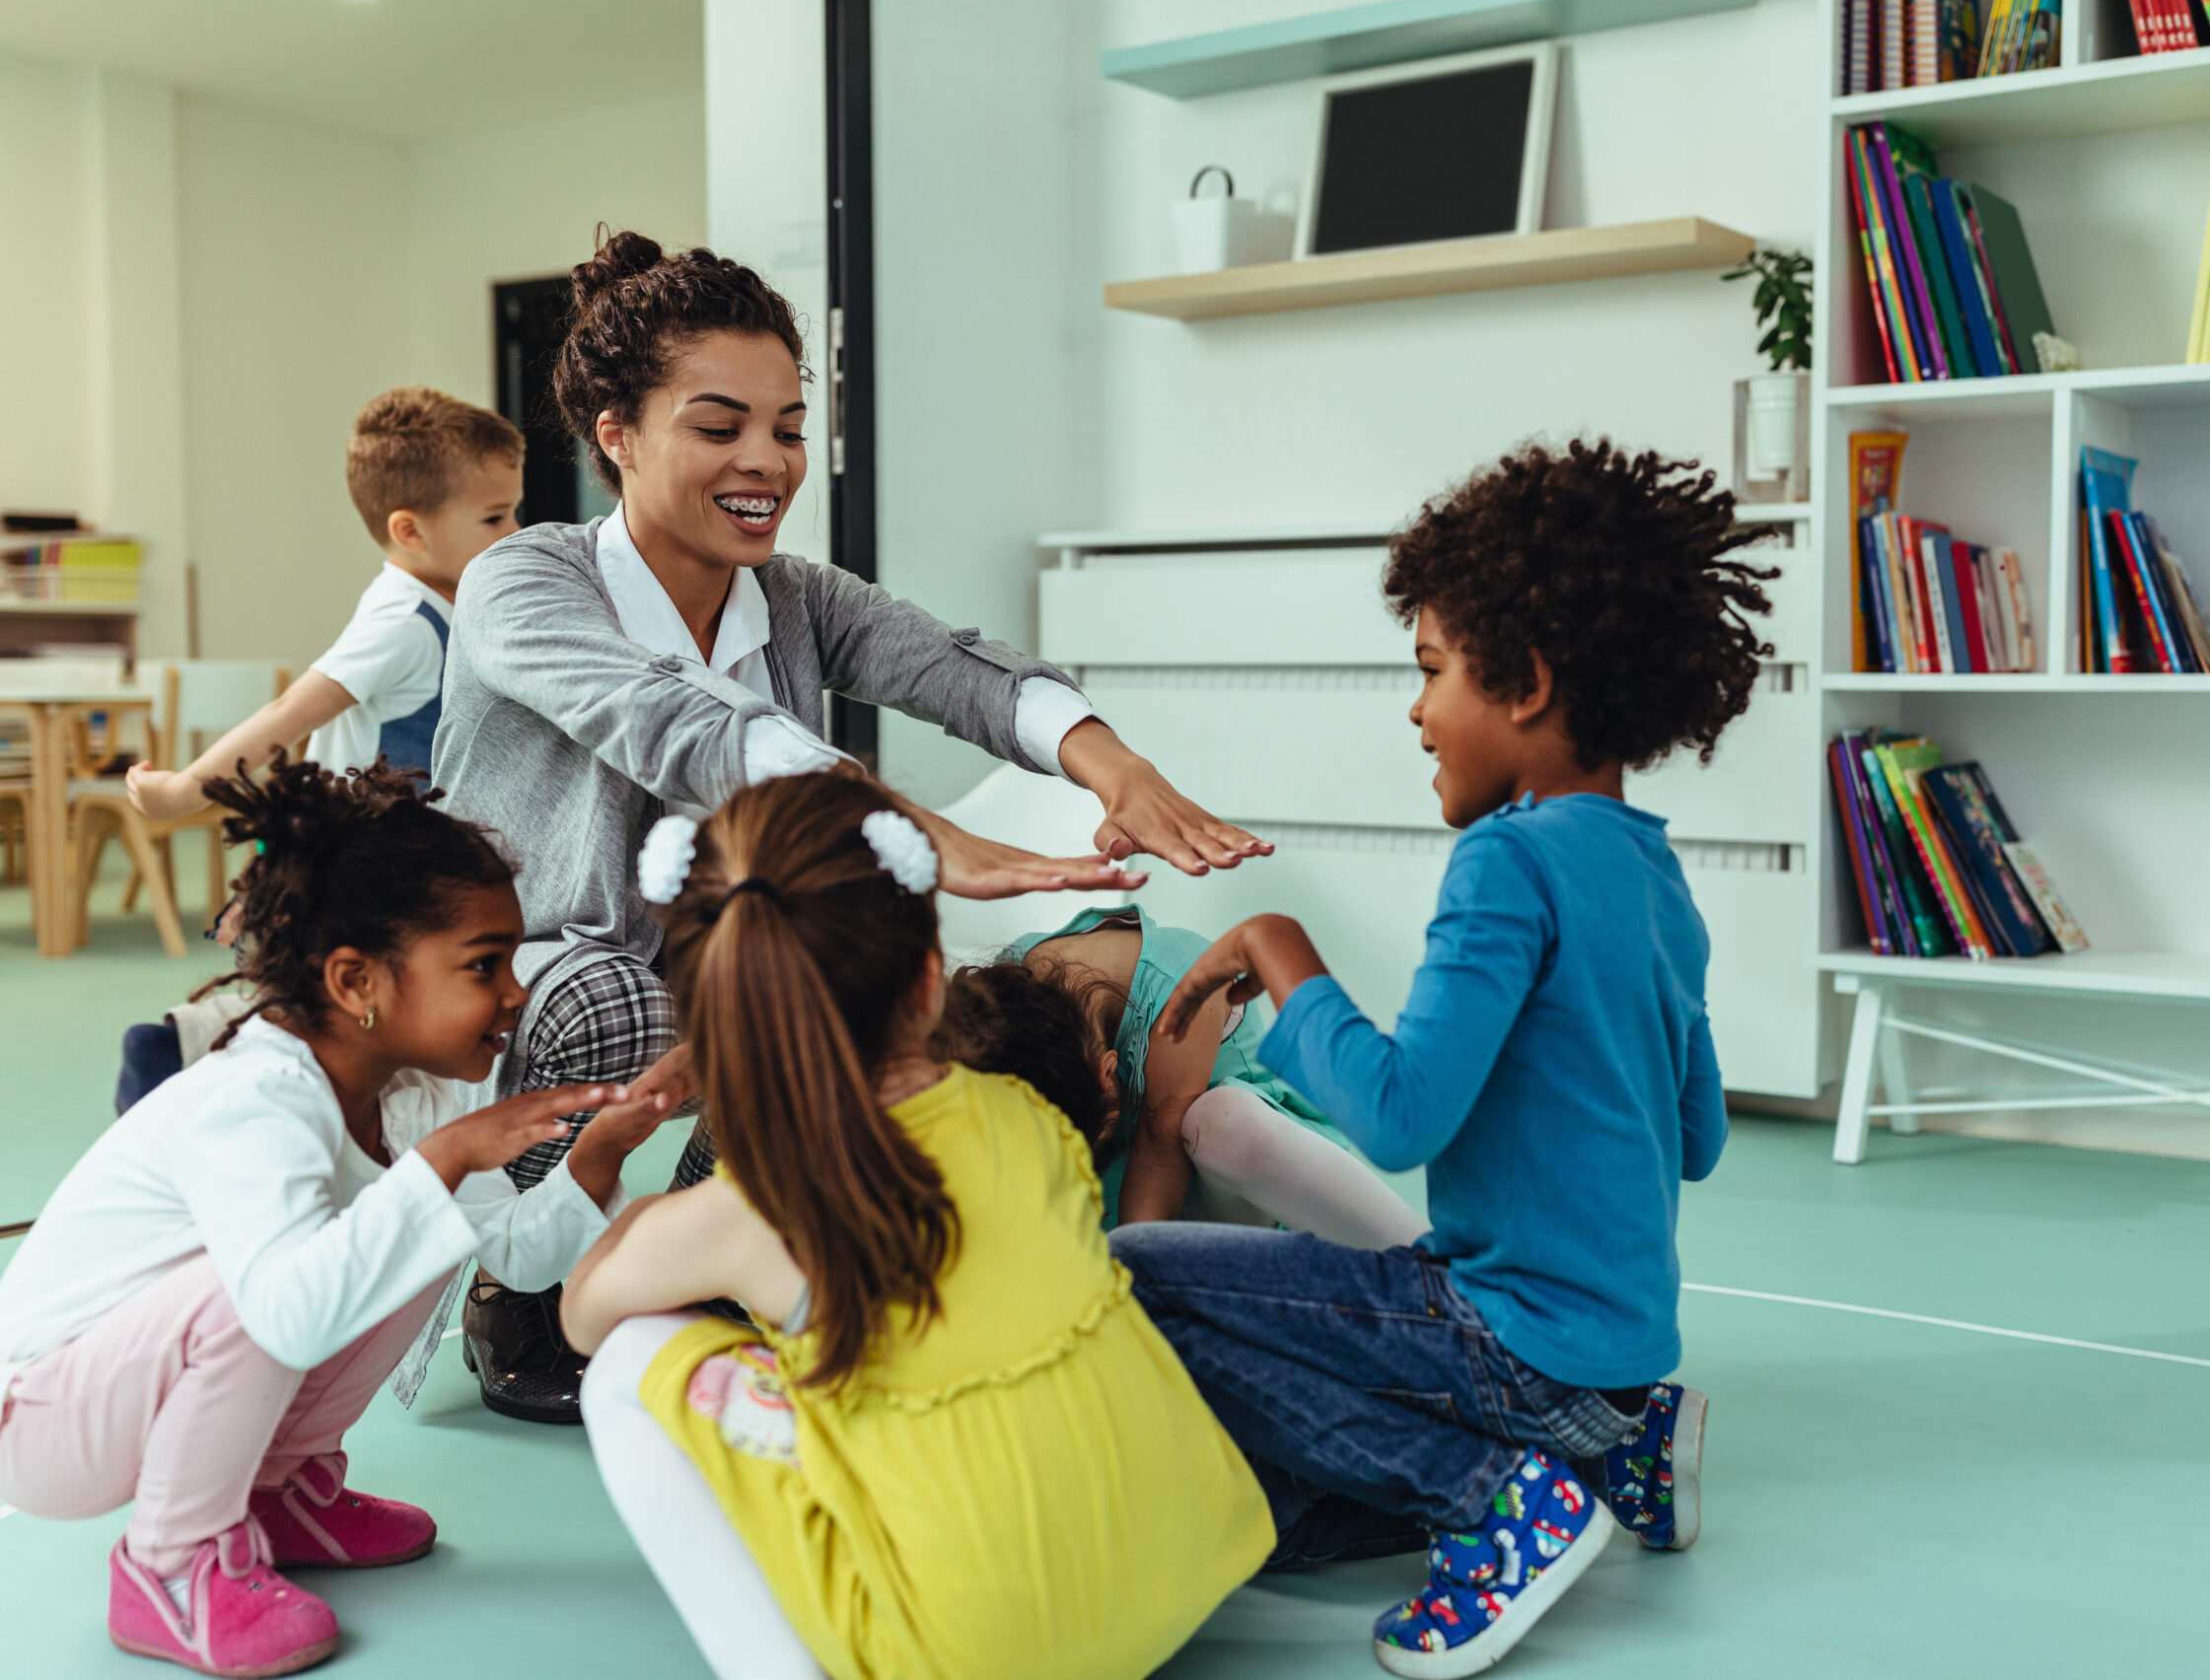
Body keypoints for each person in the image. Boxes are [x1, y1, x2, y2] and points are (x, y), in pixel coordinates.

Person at [434, 228, 1270, 1424]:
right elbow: (673, 721)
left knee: (855, 993)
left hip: (699, 962)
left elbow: (954, 666)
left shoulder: (796, 596)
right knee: (641, 997)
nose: (766, 461)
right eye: (718, 428)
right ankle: (514, 1293)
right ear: (614, 434)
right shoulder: (525, 580)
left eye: (786, 427)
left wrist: (1112, 765)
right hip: (534, 972)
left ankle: (719, 1265)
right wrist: (900, 823)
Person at [1110, 440, 1775, 1678]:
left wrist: (1278, 951)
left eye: (1430, 672)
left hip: (1506, 1344)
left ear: (1521, 682)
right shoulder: (1652, 872)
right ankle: (1611, 1455)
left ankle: (1491, 1499)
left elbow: (1399, 1116)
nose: (1416, 710)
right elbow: (1696, 1140)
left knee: (1136, 1272)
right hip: (1621, 1362)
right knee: (1277, 1526)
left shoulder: (1508, 862)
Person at [561, 772, 1273, 1679]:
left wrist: (655, 1207)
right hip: (1179, 1568)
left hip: (985, 1647)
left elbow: (583, 1315)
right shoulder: (1021, 1114)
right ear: (929, 977)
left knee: (628, 1368)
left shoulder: (756, 1205)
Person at [0, 758, 686, 1679]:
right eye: (486, 964)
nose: (517, 991)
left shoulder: (402, 1097)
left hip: (133, 1392)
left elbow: (510, 1255)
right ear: (358, 981)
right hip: (44, 1421)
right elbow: (280, 1315)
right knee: (302, 1268)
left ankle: (278, 1493)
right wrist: (445, 1164)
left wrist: (603, 1145)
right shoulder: (259, 1097)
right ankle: (167, 1563)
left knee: (418, 1226)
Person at [124, 387, 524, 817]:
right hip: (375, 861)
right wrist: (181, 793)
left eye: (514, 512)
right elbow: (290, 714)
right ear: (410, 533)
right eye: (494, 517)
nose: (515, 532)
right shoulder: (404, 625)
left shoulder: (442, 607)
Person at [932, 909, 1428, 1248]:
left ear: (1110, 1073)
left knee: (1215, 1122)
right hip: (1113, 1195)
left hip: (1243, 1187)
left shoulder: (1180, 983)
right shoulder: (999, 1003)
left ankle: (1437, 1269)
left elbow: (1156, 1165)